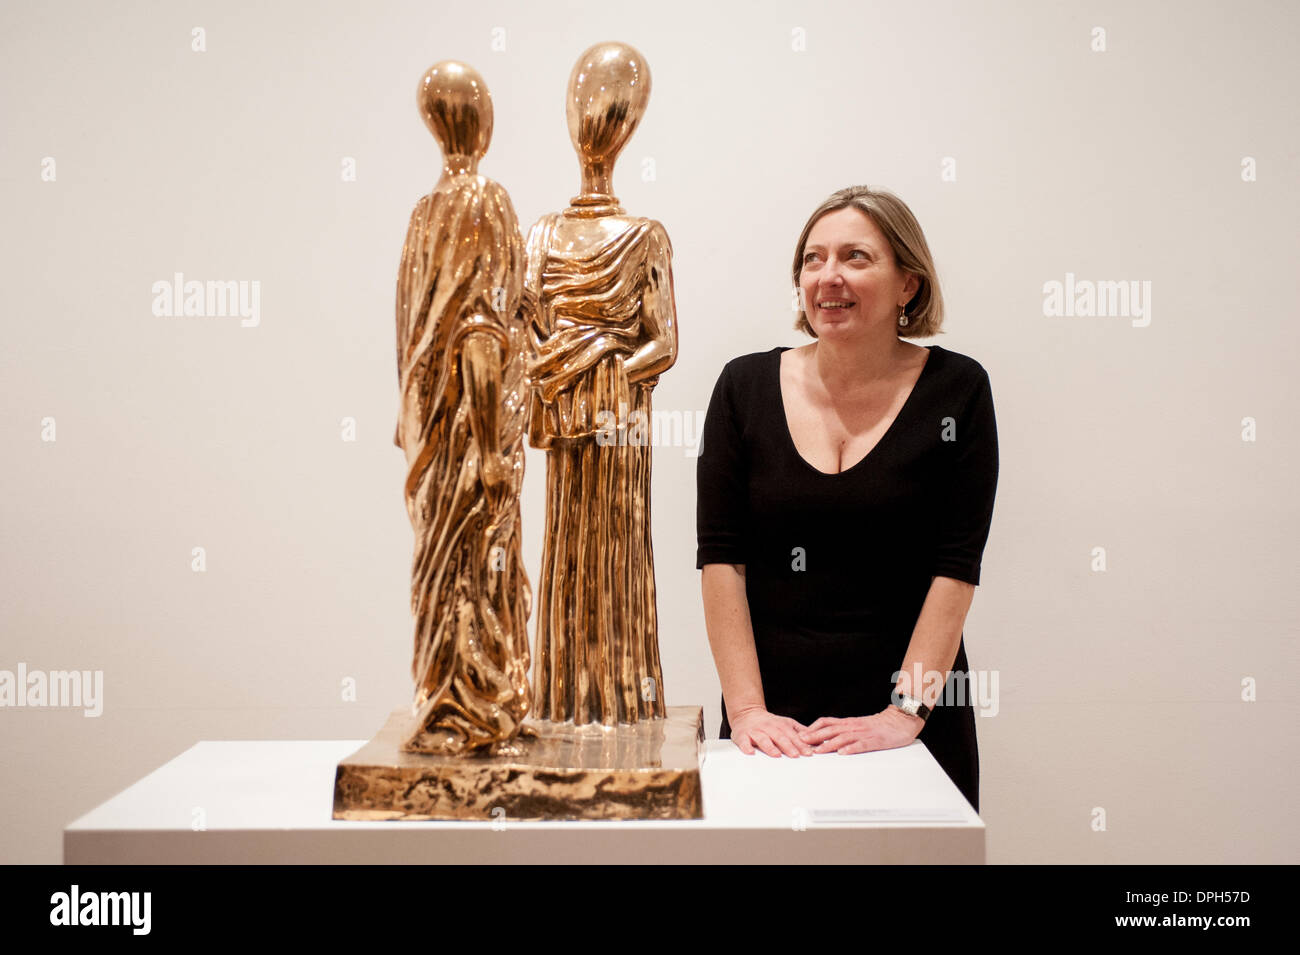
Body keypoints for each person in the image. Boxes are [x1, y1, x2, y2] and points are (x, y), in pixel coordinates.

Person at [696, 186, 998, 811]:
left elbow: (955, 567)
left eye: (855, 257)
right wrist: (747, 710)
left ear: (908, 285)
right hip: (771, 725)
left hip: (908, 724)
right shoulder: (743, 385)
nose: (828, 277)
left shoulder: (959, 390)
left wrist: (904, 713)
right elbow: (722, 558)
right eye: (813, 259)